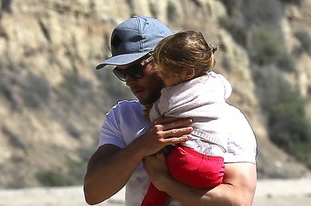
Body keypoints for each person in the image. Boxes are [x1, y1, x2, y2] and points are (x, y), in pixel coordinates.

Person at [83, 16, 258, 206]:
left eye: (135, 70)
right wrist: (141, 146)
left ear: (164, 59)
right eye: (122, 73)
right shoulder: (122, 116)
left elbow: (239, 200)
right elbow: (93, 194)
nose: (130, 80)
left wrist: (165, 183)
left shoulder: (225, 118)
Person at [141, 30, 232, 206]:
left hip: (184, 159)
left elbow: (155, 116)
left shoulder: (169, 96)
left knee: (156, 189)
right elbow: (227, 89)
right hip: (214, 165)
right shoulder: (218, 84)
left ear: (188, 73)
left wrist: (150, 112)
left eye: (165, 72)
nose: (160, 76)